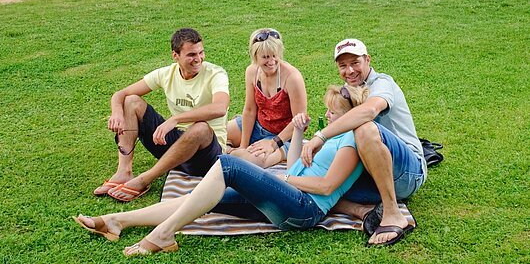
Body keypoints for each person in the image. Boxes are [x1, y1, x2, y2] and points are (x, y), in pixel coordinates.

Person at [73, 84, 367, 256]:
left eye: (334, 112)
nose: (327, 115)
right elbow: (293, 167)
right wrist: (299, 135)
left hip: (304, 209)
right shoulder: (330, 136)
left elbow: (327, 186)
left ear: (349, 116)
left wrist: (283, 179)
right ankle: (116, 221)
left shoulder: (351, 140)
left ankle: (164, 234)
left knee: (228, 165)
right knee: (203, 198)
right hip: (289, 197)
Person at [301, 39, 426, 247]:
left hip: (406, 173)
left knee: (364, 127)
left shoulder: (382, 83)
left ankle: (393, 213)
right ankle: (364, 212)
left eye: (355, 63)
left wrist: (320, 136)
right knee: (310, 181)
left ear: (367, 60)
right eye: (343, 66)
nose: (349, 70)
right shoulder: (347, 90)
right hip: (369, 172)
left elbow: (369, 111)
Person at [93, 28, 230, 202]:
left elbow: (220, 108)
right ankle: (124, 172)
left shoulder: (215, 74)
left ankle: (144, 179)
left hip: (207, 156)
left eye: (201, 52)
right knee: (131, 101)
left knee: (201, 127)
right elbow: (121, 94)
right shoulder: (166, 74)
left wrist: (175, 119)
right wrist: (117, 113)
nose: (198, 59)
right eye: (191, 55)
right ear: (175, 55)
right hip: (176, 146)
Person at [226, 28, 307, 168]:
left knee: (252, 162)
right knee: (214, 134)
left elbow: (300, 120)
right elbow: (250, 110)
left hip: (283, 137)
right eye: (265, 57)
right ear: (255, 56)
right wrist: (243, 146)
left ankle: (227, 153)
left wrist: (273, 143)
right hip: (258, 126)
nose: (271, 61)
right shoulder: (252, 72)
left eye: (274, 55)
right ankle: (234, 152)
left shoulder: (292, 78)